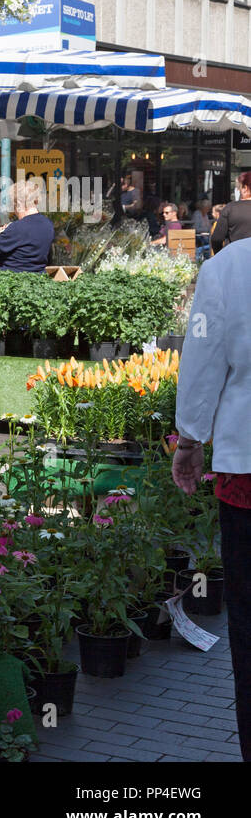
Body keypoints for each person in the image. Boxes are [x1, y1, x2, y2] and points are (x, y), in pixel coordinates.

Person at [172, 235, 251, 759]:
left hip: (246, 468)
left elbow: (203, 360)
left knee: (247, 621)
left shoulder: (229, 267)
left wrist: (191, 437)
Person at [0, 178, 54, 273]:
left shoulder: (16, 228)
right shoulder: (48, 225)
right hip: (38, 279)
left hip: (10, 280)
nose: (14, 211)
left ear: (18, 203)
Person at [212, 172, 251, 253]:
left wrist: (220, 256)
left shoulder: (231, 208)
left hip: (235, 258)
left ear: (245, 188)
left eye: (239, 187)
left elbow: (216, 239)